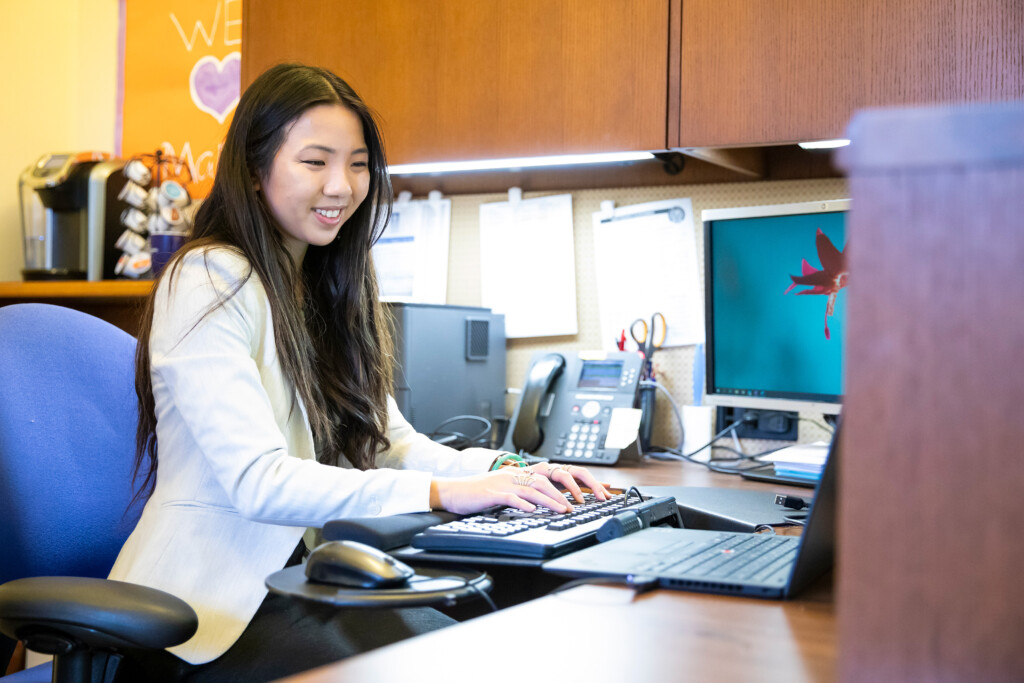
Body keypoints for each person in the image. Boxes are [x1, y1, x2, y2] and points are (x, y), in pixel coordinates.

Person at [108, 63, 611, 682]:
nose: (342, 186)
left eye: (358, 163)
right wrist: (441, 493)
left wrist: (511, 472)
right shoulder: (210, 277)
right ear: (253, 167)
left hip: (302, 581)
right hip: (201, 617)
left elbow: (389, 445)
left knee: (485, 635)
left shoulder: (326, 285)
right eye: (315, 162)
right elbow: (257, 482)